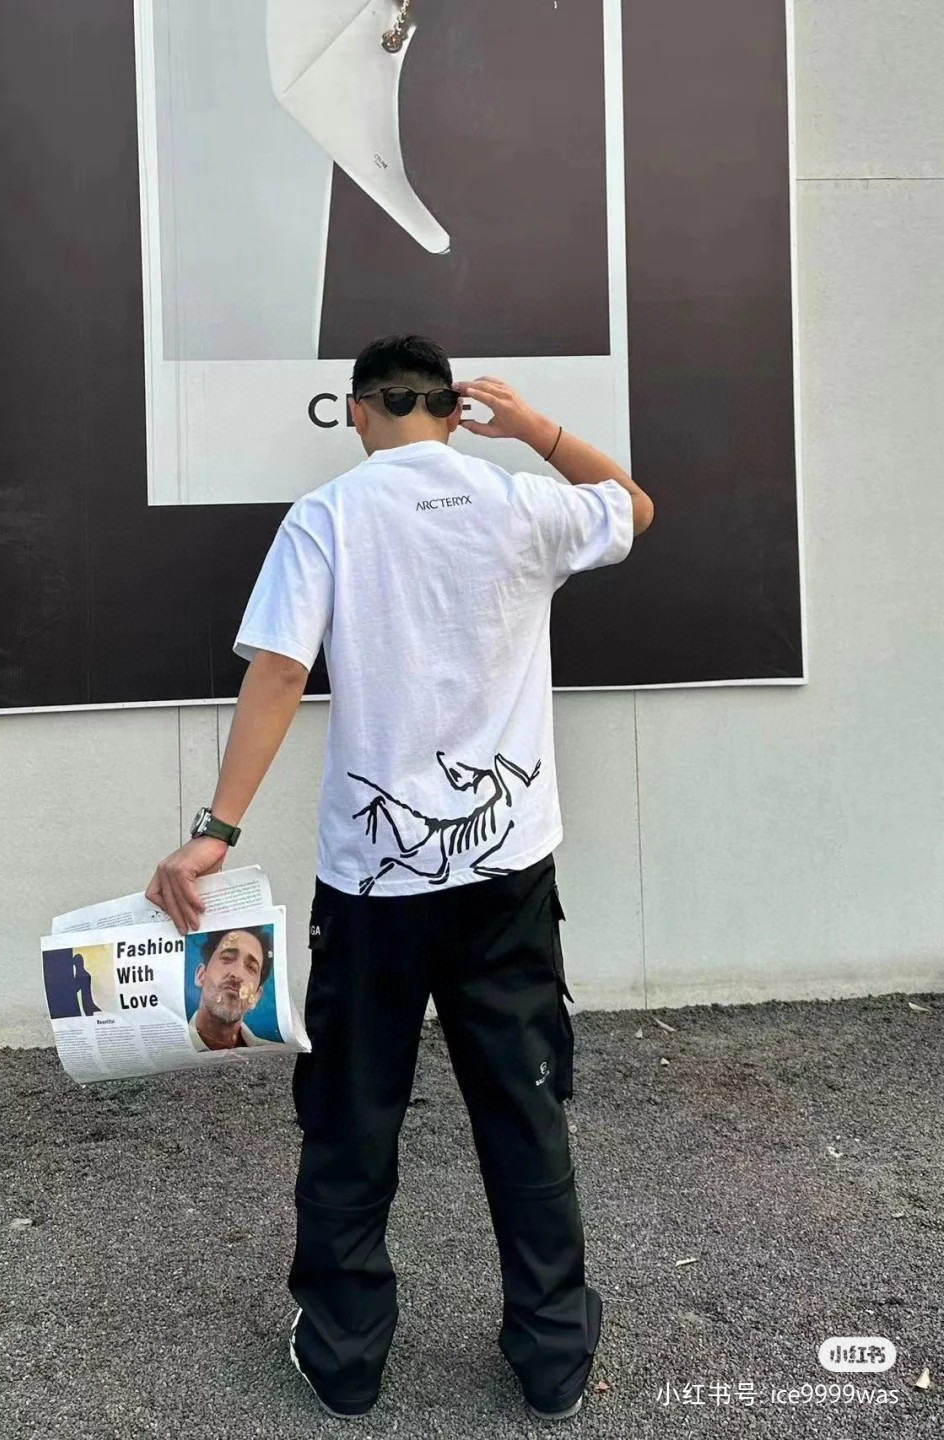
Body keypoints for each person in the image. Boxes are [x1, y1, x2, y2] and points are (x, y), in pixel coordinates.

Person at [145, 335, 655, 1422]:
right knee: (523, 1107)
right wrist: (536, 431)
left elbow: (281, 669)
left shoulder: (329, 514)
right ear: (455, 408)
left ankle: (345, 1360)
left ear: (357, 409)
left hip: (374, 890)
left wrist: (216, 831)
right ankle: (553, 1358)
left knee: (351, 1113)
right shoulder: (523, 500)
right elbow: (633, 507)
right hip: (507, 878)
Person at [188, 928, 277, 1051]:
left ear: (256, 997)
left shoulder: (274, 1052)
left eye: (251, 967)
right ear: (201, 975)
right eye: (227, 957)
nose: (237, 974)